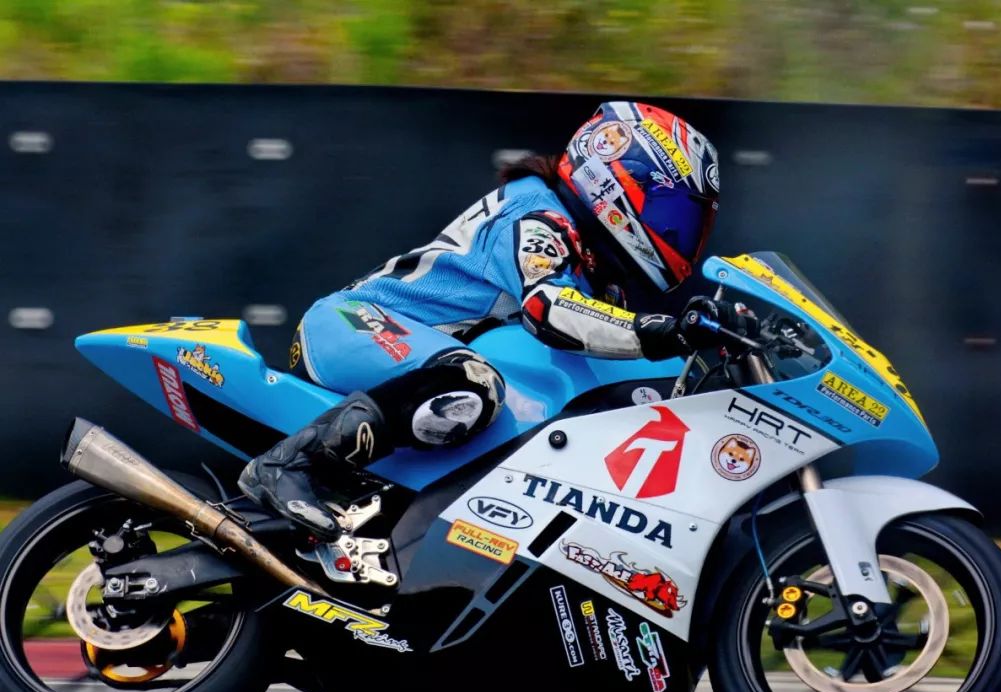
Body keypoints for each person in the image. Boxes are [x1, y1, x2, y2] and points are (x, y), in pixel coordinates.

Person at [239, 101, 756, 539]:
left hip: (409, 353)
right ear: (616, 179)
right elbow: (550, 310)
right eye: (673, 214)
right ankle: (288, 464)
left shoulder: (597, 273)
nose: (679, 233)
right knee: (472, 383)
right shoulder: (538, 217)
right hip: (355, 323)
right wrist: (666, 332)